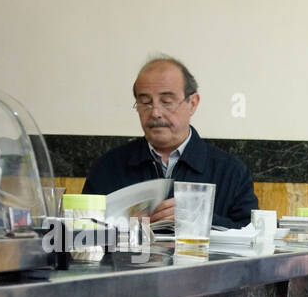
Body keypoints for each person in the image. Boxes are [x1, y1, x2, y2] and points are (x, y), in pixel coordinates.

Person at [82, 55, 257, 228]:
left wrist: (202, 220)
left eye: (167, 102)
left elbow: (252, 236)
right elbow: (83, 232)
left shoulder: (230, 171)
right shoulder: (108, 167)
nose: (155, 112)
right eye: (145, 102)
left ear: (193, 103)